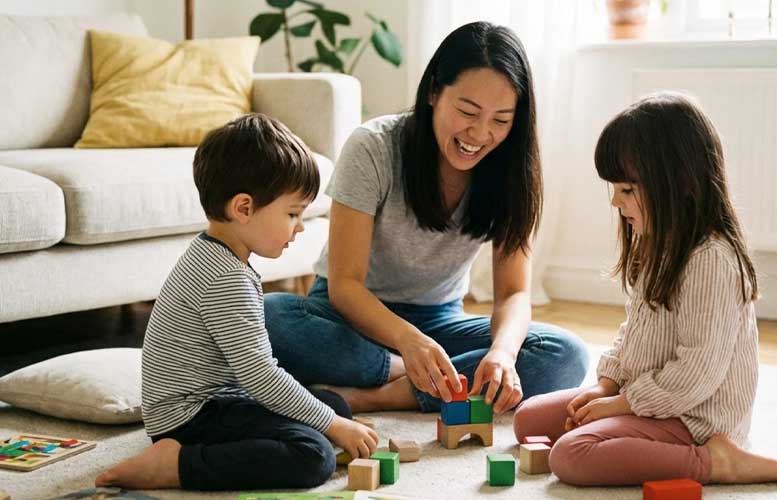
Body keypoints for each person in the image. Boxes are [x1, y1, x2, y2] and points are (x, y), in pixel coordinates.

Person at [263, 21, 589, 416]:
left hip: (438, 323)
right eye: (468, 111)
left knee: (564, 355)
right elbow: (345, 287)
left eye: (501, 120)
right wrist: (407, 345)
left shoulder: (510, 170)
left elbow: (514, 293)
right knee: (269, 316)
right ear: (434, 91)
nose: (481, 133)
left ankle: (374, 395)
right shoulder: (373, 148)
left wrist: (503, 354)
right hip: (348, 318)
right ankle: (413, 376)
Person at [513, 92, 777, 486]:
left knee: (571, 455)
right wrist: (605, 386)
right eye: (614, 188)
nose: (615, 201)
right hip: (645, 401)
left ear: (677, 184)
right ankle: (629, 427)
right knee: (529, 419)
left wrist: (622, 404)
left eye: (627, 190)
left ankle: (714, 462)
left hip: (693, 420)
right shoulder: (659, 243)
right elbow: (634, 332)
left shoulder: (711, 260)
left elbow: (697, 373)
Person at [95, 114, 378, 491]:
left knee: (331, 406)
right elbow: (262, 378)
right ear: (243, 208)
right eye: (293, 213)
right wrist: (332, 426)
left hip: (210, 400)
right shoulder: (225, 280)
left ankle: (206, 450)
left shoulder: (214, 252)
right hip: (190, 417)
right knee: (314, 455)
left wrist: (330, 418)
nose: (300, 227)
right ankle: (177, 465)